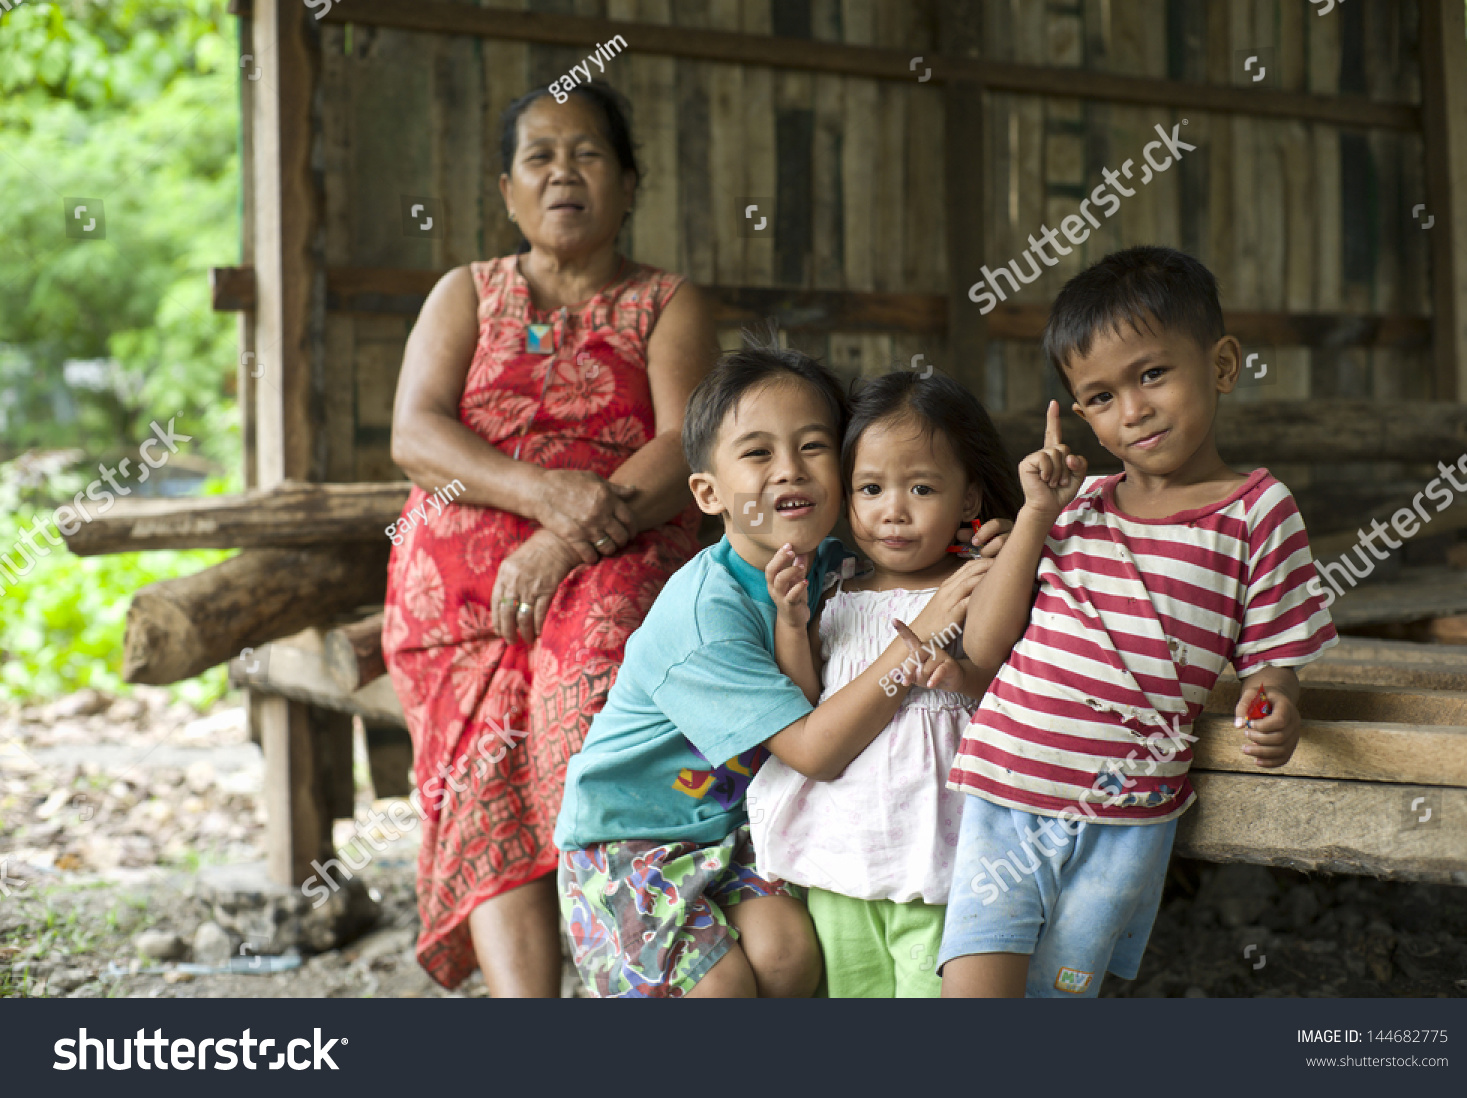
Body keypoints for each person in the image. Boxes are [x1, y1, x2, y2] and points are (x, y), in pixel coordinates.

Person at [382, 82, 719, 995]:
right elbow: (415, 434)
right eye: (540, 156)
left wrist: (570, 536)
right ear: (507, 190)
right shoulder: (465, 293)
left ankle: (631, 965)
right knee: (489, 750)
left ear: (629, 184)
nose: (563, 172)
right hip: (460, 600)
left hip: (616, 551)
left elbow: (689, 439)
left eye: (588, 154)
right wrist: (541, 494)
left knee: (591, 676)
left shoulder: (667, 303)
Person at [938, 245, 1338, 998]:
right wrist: (1034, 518)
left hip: (1128, 815)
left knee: (1061, 1000)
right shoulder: (1074, 507)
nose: (1132, 411)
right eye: (1098, 397)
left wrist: (1277, 702)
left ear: (1221, 365)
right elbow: (986, 645)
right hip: (1007, 788)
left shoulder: (1258, 512)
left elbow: (1271, 655)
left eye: (1152, 374)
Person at [551, 336, 997, 997]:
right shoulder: (707, 619)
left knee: (790, 957)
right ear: (707, 492)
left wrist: (1001, 542)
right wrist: (921, 638)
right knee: (720, 988)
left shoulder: (832, 563)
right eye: (759, 452)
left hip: (735, 828)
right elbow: (813, 751)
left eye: (813, 446)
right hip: (632, 842)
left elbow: (930, 547)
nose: (790, 469)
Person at [748, 370, 1022, 997]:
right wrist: (793, 624)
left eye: (922, 487)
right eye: (870, 488)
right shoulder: (838, 592)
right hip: (840, 856)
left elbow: (1008, 685)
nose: (892, 511)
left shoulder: (976, 585)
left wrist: (1012, 561)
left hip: (941, 856)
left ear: (970, 497)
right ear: (847, 496)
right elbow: (807, 702)